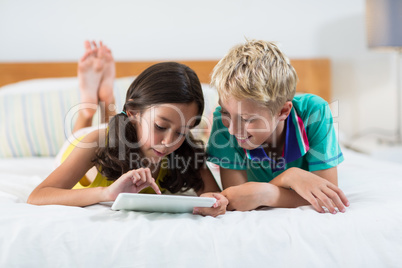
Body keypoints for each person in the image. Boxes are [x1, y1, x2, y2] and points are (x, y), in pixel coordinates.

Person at [28, 41, 228, 217]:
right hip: (82, 145)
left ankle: (106, 102)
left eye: (181, 132)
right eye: (160, 126)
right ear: (133, 112)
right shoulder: (95, 142)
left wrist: (215, 202)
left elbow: (211, 194)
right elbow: (38, 196)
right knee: (101, 135)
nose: (169, 142)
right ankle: (89, 108)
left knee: (117, 132)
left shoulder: (185, 151)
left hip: (124, 132)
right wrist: (106, 193)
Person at [206, 40, 349, 214]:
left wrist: (265, 193)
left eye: (246, 119)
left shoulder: (314, 112)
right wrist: (288, 178)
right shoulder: (222, 122)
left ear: (283, 111)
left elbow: (327, 195)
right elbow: (237, 198)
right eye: (226, 113)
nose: (232, 130)